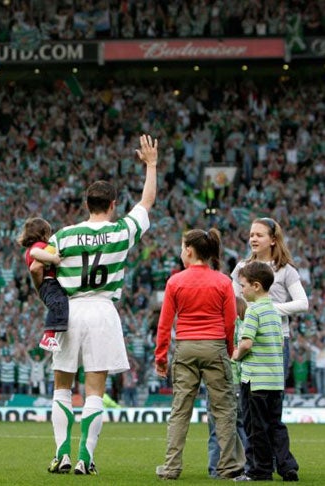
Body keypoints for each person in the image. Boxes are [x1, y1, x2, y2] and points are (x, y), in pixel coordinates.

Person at [30, 134, 158, 475]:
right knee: (94, 392)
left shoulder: (65, 235)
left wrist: (43, 290)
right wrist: (151, 165)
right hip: (103, 311)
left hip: (68, 313)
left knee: (62, 387)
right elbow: (146, 203)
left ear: (86, 204)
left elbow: (39, 266)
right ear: (113, 203)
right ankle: (86, 458)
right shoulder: (120, 232)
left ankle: (62, 454)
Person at [154, 228, 245, 480]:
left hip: (185, 347)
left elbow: (164, 325)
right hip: (215, 345)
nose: (181, 252)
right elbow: (230, 323)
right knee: (224, 409)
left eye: (183, 248)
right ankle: (227, 466)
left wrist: (161, 358)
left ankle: (172, 467)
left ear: (190, 251)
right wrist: (226, 350)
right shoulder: (223, 281)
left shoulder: (175, 281)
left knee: (180, 409)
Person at [232, 261, 299, 482]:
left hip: (255, 381)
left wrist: (236, 354)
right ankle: (287, 466)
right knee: (276, 425)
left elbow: (247, 344)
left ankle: (259, 470)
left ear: (256, 286)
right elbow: (280, 344)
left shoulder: (253, 312)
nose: (241, 290)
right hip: (275, 381)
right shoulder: (274, 311)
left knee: (255, 427)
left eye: (243, 285)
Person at [231, 217, 309, 382]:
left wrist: (267, 310)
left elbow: (303, 303)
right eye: (251, 235)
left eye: (259, 235)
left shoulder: (285, 269)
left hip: (277, 338)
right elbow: (233, 302)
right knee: (247, 397)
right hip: (247, 338)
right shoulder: (241, 267)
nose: (253, 239)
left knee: (274, 396)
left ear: (273, 240)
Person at [207, 296, 248, 478]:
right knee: (241, 426)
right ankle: (245, 466)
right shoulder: (247, 328)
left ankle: (216, 468)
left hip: (219, 379)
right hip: (240, 382)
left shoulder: (220, 328)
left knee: (217, 426)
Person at [17, 217, 69, 352]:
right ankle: (48, 336)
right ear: (43, 233)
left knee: (59, 305)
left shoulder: (31, 249)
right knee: (58, 303)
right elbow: (35, 254)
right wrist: (54, 259)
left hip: (46, 284)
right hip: (49, 282)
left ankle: (52, 336)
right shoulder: (38, 247)